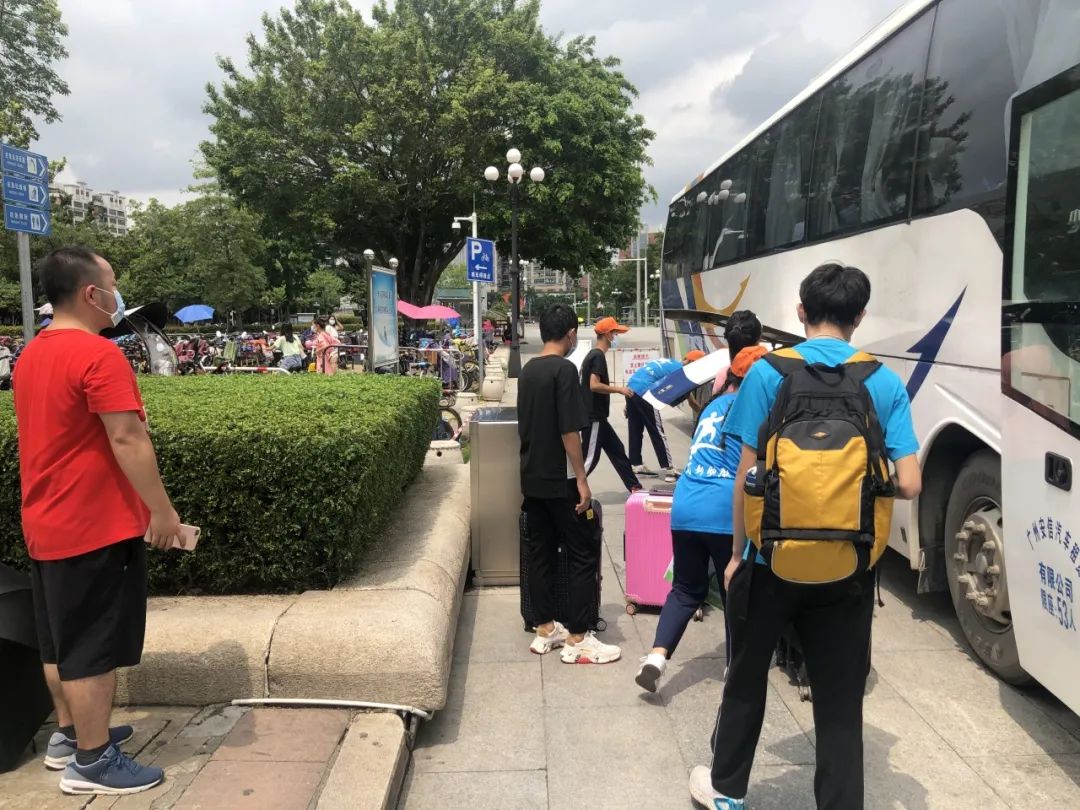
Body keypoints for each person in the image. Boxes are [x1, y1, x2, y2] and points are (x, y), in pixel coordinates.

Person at [689, 263, 922, 810]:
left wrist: (736, 555)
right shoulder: (883, 381)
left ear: (800, 312)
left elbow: (746, 476)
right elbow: (910, 483)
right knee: (840, 698)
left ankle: (726, 792)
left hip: (768, 560)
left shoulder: (768, 373)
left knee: (747, 677)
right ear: (859, 316)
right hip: (849, 566)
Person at [14, 247, 183, 795]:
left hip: (47, 520)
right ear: (92, 293)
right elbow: (128, 437)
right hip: (94, 524)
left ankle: (69, 737)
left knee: (59, 643)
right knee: (91, 648)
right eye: (113, 282)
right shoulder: (98, 355)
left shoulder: (31, 354)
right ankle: (93, 761)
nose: (117, 293)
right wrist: (162, 512)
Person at [636, 317, 765, 694]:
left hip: (687, 503)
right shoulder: (755, 409)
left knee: (685, 589)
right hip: (724, 509)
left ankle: (656, 657)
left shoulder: (712, 406)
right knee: (735, 591)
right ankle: (734, 668)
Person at [518, 304, 621, 665]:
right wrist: (581, 478)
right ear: (570, 334)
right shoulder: (564, 370)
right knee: (582, 553)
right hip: (561, 481)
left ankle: (545, 627)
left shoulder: (528, 371)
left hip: (532, 478)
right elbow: (569, 431)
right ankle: (578, 637)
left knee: (541, 554)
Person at [579, 317, 641, 493]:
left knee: (617, 450)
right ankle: (570, 491)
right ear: (607, 335)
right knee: (589, 459)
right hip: (594, 418)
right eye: (615, 333)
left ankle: (635, 487)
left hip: (599, 417)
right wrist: (619, 389)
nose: (616, 336)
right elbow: (594, 385)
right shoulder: (597, 356)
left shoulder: (593, 355)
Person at [624, 354, 687, 481]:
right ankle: (669, 470)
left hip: (630, 388)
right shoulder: (681, 370)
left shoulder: (670, 362)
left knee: (635, 430)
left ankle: (636, 465)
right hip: (645, 392)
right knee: (657, 431)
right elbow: (677, 394)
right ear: (690, 362)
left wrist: (629, 404)